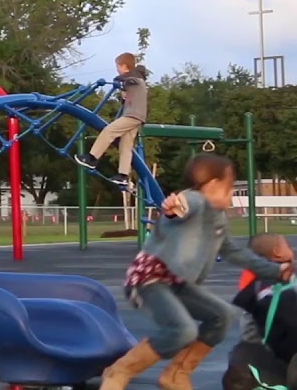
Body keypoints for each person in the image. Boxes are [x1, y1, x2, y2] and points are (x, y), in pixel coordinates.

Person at [97, 153, 291, 390]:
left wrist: (276, 270)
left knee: (222, 316)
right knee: (183, 330)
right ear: (212, 186)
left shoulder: (218, 218)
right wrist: (172, 207)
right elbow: (180, 207)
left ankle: (177, 373)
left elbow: (234, 253)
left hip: (177, 283)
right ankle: (121, 370)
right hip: (148, 280)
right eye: (229, 188)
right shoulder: (195, 201)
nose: (231, 196)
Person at [222, 234, 297, 390]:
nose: (292, 250)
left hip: (252, 350)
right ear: (277, 253)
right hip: (271, 354)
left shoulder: (255, 279)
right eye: (288, 247)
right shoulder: (271, 283)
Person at [75, 52, 151, 189]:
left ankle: (92, 158)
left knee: (109, 131)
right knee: (126, 145)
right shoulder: (134, 80)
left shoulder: (135, 78)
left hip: (133, 115)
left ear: (124, 66)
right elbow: (128, 91)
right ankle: (123, 175)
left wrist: (120, 80)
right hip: (137, 115)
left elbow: (130, 79)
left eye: (118, 66)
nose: (117, 69)